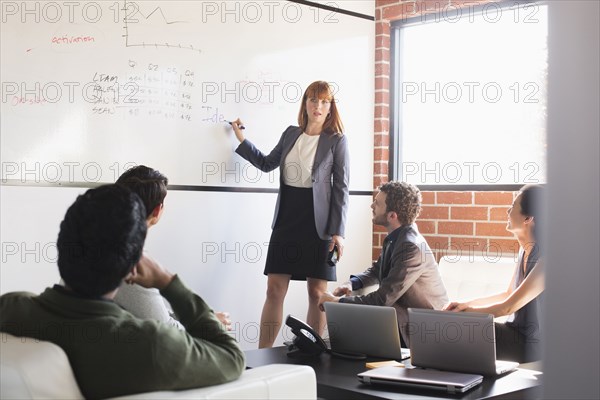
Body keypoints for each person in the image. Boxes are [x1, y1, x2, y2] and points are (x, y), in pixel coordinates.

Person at [0, 185, 245, 399]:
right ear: (132, 266)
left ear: (62, 246)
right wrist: (168, 282)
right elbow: (231, 356)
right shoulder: (152, 346)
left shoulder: (10, 310)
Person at [230, 80, 349, 348]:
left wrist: (338, 233)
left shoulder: (337, 140)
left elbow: (341, 187)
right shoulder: (290, 133)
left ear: (331, 107)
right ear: (305, 103)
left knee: (317, 294)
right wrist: (242, 139)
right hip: (287, 218)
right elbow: (266, 163)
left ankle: (313, 354)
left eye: (324, 101)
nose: (318, 106)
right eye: (313, 100)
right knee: (273, 290)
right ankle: (261, 356)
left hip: (319, 224)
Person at [318, 181, 448, 346]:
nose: (372, 205)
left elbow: (382, 299)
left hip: (424, 329)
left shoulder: (411, 247)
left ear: (392, 215)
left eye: (377, 203)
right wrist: (351, 283)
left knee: (350, 339)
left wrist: (337, 303)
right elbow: (376, 270)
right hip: (401, 319)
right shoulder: (398, 238)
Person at [114, 165, 231, 330]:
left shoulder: (106, 242)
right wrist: (210, 324)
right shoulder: (131, 261)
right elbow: (167, 331)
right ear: (157, 210)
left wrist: (206, 318)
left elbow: (158, 313)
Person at [444, 184, 544, 363]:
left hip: (534, 345)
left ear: (528, 218)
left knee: (468, 330)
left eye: (513, 206)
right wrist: (464, 304)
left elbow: (508, 307)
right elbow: (507, 294)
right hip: (516, 334)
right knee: (463, 332)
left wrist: (466, 314)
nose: (508, 210)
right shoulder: (524, 251)